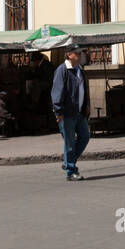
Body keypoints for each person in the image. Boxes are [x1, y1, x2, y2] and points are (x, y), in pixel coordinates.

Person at [52, 46, 91, 180]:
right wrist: (58, 112)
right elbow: (57, 92)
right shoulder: (62, 70)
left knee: (85, 136)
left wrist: (86, 105)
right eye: (77, 53)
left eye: (81, 53)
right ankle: (71, 171)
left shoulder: (80, 70)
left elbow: (84, 89)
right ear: (69, 55)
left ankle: (68, 162)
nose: (80, 55)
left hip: (79, 112)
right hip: (67, 113)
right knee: (69, 143)